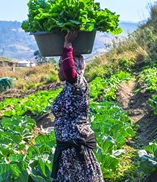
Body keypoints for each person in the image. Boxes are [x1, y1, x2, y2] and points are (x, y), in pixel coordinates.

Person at [51, 31, 104, 182]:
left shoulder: (78, 84)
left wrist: (67, 43)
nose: (59, 70)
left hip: (75, 152)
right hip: (67, 152)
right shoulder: (68, 87)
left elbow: (68, 70)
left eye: (60, 65)